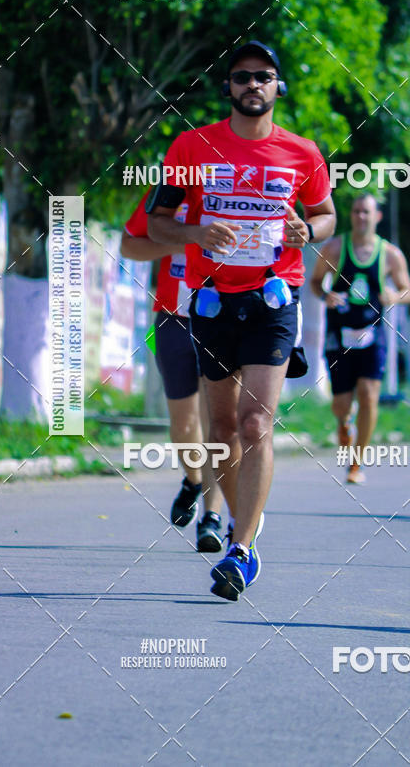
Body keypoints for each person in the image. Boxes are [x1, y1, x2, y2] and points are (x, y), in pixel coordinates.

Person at [147, 41, 336, 599]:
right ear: (228, 87)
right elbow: (158, 223)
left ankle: (243, 550)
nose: (253, 84)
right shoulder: (192, 145)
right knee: (223, 430)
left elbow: (324, 216)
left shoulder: (302, 153)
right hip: (211, 301)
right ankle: (240, 521)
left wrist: (311, 231)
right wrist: (193, 233)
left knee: (256, 425)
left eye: (265, 76)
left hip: (274, 302)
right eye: (242, 76)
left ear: (279, 87)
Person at [121, 193, 225, 552]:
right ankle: (193, 481)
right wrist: (175, 240)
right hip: (173, 319)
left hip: (221, 317)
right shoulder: (167, 195)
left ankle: (211, 516)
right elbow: (129, 245)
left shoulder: (235, 191)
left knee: (217, 423)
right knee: (183, 426)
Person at [310, 193, 410, 484]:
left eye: (366, 212)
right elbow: (316, 282)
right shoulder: (334, 248)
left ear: (377, 217)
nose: (360, 217)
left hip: (373, 334)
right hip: (339, 334)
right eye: (356, 211)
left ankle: (357, 463)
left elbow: (409, 291)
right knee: (341, 405)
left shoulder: (390, 254)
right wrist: (325, 294)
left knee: (369, 396)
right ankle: (344, 423)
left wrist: (394, 295)